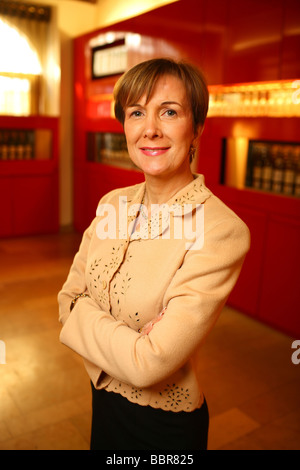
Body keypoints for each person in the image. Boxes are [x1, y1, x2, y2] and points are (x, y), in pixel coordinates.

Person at [58, 58, 250, 450]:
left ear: (196, 127)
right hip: (101, 401)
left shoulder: (220, 230)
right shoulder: (113, 204)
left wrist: (85, 317)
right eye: (136, 113)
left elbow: (150, 364)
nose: (150, 129)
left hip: (163, 428)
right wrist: (126, 340)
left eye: (169, 112)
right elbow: (66, 301)